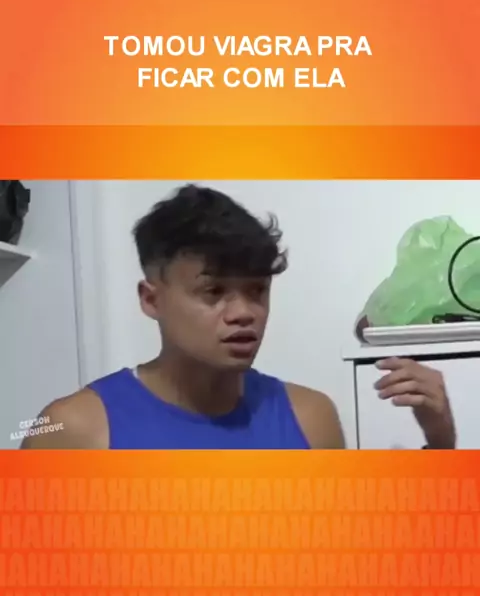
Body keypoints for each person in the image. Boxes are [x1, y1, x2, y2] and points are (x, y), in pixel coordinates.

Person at [22, 185, 456, 450]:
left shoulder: (311, 417)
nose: (244, 313)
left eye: (257, 291)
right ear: (151, 300)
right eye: (213, 292)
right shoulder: (69, 427)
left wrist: (439, 440)